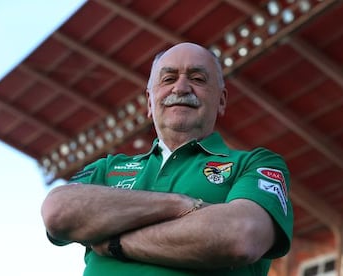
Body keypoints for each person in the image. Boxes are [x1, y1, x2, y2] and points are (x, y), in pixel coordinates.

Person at [41, 42, 294, 276]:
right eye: (168, 78)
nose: (181, 88)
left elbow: (240, 236)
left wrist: (117, 243)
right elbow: (58, 211)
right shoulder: (108, 168)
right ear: (150, 102)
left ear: (221, 100)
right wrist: (182, 206)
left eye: (197, 78)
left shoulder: (256, 164)